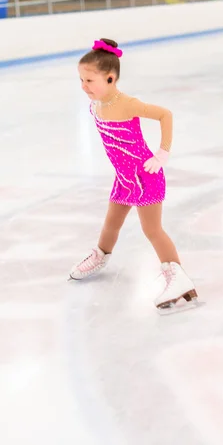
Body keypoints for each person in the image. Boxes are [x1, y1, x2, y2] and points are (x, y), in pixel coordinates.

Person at [69, 38, 198, 310]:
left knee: (152, 229)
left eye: (89, 81)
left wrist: (162, 153)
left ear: (111, 78)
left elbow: (165, 114)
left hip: (145, 176)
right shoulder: (96, 105)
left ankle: (178, 277)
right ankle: (101, 256)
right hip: (124, 178)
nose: (83, 87)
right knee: (111, 224)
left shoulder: (127, 104)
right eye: (81, 80)